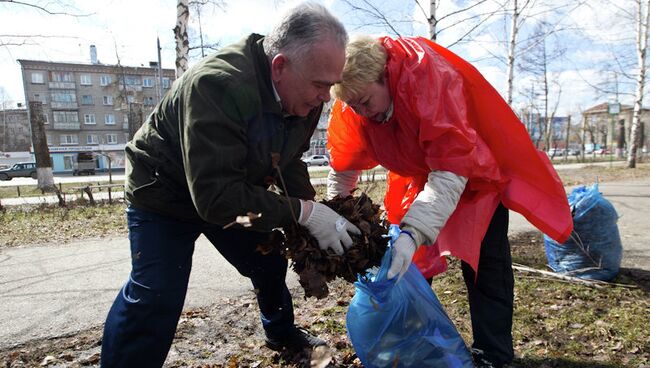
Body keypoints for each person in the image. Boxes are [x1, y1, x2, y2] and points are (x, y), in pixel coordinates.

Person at [100, 3, 359, 367]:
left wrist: (312, 214)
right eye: (320, 85)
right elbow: (216, 199)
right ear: (280, 65)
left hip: (232, 201)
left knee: (266, 260)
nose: (325, 97)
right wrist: (303, 212)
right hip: (164, 197)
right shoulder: (217, 85)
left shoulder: (307, 92)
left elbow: (288, 158)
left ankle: (281, 333)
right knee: (156, 293)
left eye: (330, 86)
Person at [326, 35, 573, 368]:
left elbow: (451, 167)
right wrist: (335, 214)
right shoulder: (355, 99)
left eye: (366, 102)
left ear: (385, 75)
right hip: (417, 175)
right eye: (353, 106)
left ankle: (493, 354)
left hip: (470, 173)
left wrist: (415, 233)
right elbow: (344, 164)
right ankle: (407, 344)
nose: (361, 113)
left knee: (485, 265)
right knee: (405, 266)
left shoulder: (428, 81)